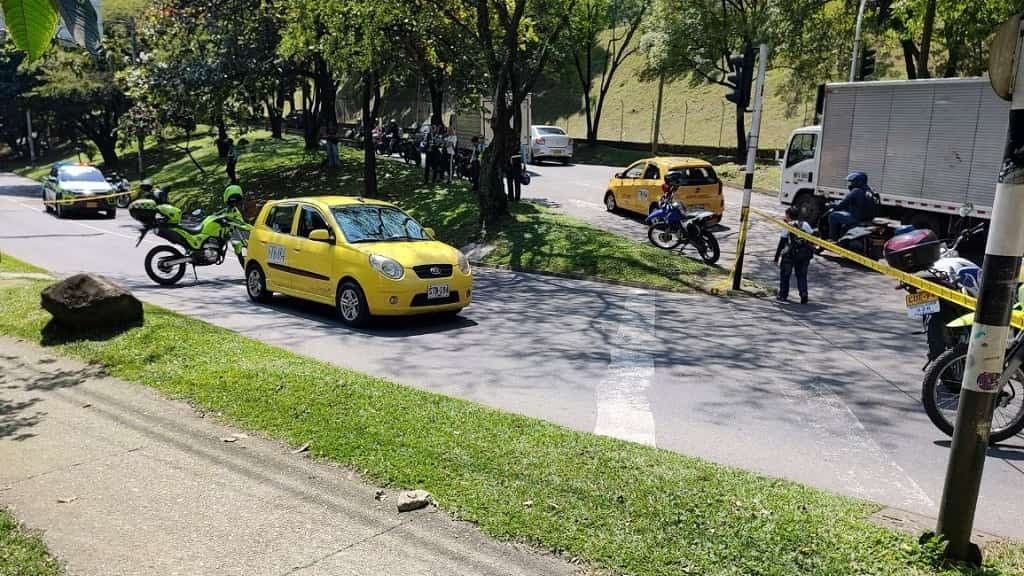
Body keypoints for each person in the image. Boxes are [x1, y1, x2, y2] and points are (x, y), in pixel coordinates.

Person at [774, 205, 814, 304]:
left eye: (786, 215)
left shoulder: (789, 226)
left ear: (788, 215)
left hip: (790, 255)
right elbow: (812, 238)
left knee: (785, 275)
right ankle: (803, 293)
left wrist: (776, 257)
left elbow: (782, 241)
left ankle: (783, 295)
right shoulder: (805, 224)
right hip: (804, 255)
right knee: (802, 275)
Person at [828, 171, 875, 240]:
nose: (850, 184)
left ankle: (833, 239)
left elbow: (841, 205)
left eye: (852, 182)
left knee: (832, 216)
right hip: (867, 219)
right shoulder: (869, 191)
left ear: (858, 182)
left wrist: (831, 205)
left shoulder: (856, 191)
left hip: (856, 218)